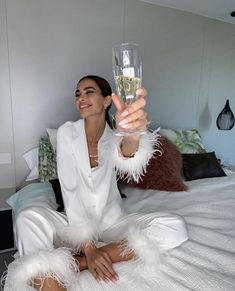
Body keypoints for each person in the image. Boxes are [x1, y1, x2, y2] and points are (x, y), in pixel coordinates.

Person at [4, 75, 188, 291]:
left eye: (89, 91)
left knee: (175, 227)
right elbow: (70, 190)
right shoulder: (67, 133)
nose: (81, 97)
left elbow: (127, 155)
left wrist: (131, 137)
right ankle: (53, 281)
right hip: (73, 224)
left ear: (107, 100)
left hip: (111, 222)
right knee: (28, 217)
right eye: (78, 94)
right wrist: (89, 249)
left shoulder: (116, 135)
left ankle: (76, 262)